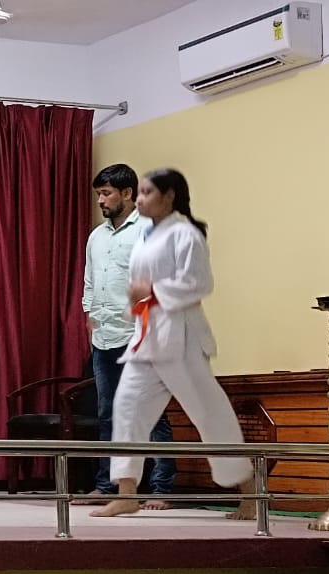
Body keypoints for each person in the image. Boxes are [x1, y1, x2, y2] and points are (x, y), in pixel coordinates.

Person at [91, 168, 255, 520]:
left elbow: (199, 284)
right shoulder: (146, 236)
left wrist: (151, 292)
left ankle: (250, 494)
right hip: (147, 339)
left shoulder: (185, 234)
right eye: (140, 192)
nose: (140, 199)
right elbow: (139, 291)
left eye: (148, 192)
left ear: (168, 197)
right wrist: (135, 303)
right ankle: (127, 493)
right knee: (127, 409)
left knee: (210, 415)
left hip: (181, 340)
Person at [80, 164, 177, 509]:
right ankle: (108, 487)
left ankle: (162, 490)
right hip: (104, 338)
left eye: (106, 194)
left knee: (151, 414)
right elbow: (90, 282)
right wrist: (90, 316)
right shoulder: (97, 236)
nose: (100, 201)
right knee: (108, 414)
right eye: (98, 194)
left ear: (127, 193)